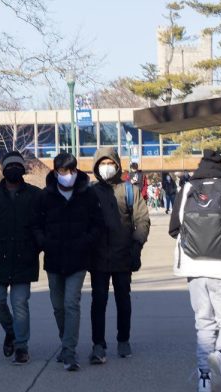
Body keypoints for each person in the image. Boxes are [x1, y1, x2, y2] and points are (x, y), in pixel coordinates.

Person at [169, 149, 221, 392]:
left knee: (203, 324)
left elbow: (174, 229)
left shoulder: (186, 190)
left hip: (194, 268)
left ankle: (204, 382)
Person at [32, 152, 102, 372]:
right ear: (56, 172)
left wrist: (86, 241)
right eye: (63, 171)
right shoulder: (45, 196)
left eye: (72, 170)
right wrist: (44, 242)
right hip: (53, 258)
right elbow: (35, 225)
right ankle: (65, 341)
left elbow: (97, 225)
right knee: (58, 306)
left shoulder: (88, 195)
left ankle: (70, 352)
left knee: (72, 303)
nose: (68, 175)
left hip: (78, 258)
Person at [0, 151, 42, 365]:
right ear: (3, 170)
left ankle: (21, 347)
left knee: (20, 302)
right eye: (9, 166)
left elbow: (42, 225)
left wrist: (35, 247)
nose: (13, 169)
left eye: (17, 165)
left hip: (24, 258)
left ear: (23, 169)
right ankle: (11, 331)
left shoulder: (35, 195)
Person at [88, 147, 150, 365]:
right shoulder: (90, 192)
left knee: (123, 300)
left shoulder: (129, 191)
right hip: (97, 258)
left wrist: (137, 244)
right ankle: (98, 344)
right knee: (99, 302)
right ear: (96, 167)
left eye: (110, 163)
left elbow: (142, 220)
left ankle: (123, 339)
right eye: (102, 163)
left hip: (124, 255)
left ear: (116, 165)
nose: (106, 167)